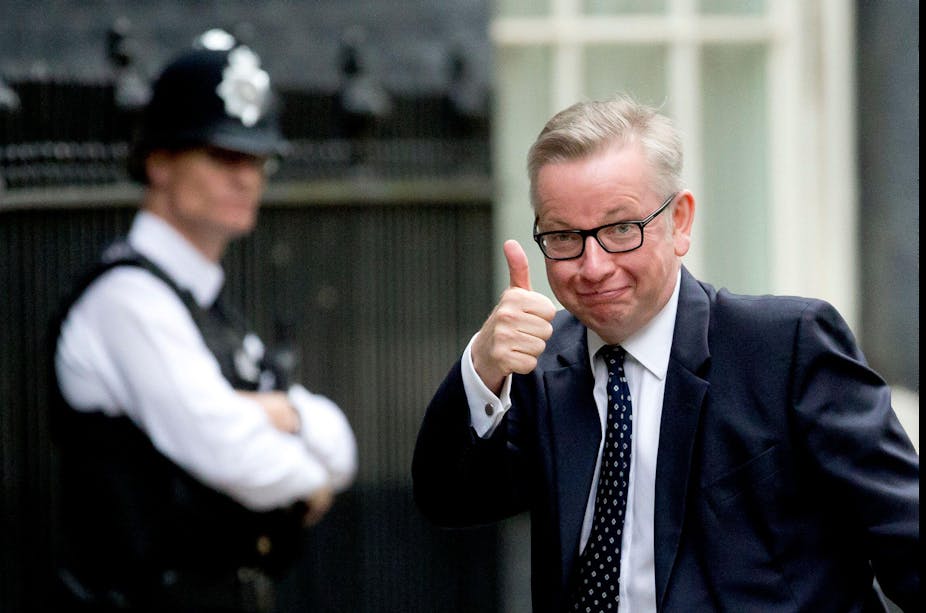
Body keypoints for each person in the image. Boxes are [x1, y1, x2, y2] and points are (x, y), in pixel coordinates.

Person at [412, 94, 919, 612]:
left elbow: (906, 536)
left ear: (679, 222)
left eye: (619, 230)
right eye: (564, 236)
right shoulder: (541, 367)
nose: (593, 267)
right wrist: (484, 366)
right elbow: (447, 499)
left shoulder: (786, 346)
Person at [52, 30, 357, 613]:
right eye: (224, 156)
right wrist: (307, 474)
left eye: (259, 159)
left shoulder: (202, 300)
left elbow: (342, 445)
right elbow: (229, 451)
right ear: (160, 162)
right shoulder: (129, 299)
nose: (248, 177)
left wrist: (286, 413)